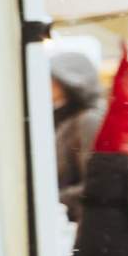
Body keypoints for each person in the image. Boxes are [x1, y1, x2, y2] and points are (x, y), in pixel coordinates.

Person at [53, 50, 106, 217]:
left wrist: (56, 198)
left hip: (84, 224)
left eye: (54, 82)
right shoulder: (65, 119)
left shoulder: (87, 121)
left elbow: (96, 183)